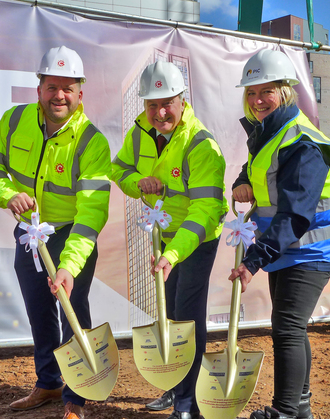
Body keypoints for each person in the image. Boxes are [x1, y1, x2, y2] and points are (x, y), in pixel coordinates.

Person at [0, 45, 111, 419]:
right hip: (30, 233)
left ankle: (77, 397)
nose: (59, 95)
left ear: (80, 93)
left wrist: (69, 265)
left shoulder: (92, 141)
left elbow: (92, 212)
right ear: (39, 89)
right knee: (39, 308)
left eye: (68, 88)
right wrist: (7, 194)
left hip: (71, 234)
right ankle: (49, 382)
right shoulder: (15, 120)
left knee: (72, 309)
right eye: (52, 87)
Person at [227, 49, 330, 419]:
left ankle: (285, 411)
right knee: (289, 324)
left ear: (286, 91)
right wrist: (243, 180)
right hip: (284, 249)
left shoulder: (303, 142)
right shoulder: (269, 132)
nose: (258, 100)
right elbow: (260, 171)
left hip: (311, 248)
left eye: (267, 91)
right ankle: (302, 407)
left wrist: (252, 262)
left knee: (287, 328)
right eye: (251, 92)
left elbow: (295, 214)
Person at [111, 61, 228, 419]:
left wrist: (173, 254)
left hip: (195, 238)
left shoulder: (201, 144)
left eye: (167, 103)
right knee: (168, 312)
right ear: (143, 105)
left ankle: (188, 401)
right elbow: (119, 170)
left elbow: (205, 211)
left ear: (182, 100)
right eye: (152, 104)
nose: (160, 112)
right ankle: (175, 387)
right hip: (162, 234)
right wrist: (138, 183)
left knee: (186, 316)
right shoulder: (139, 132)